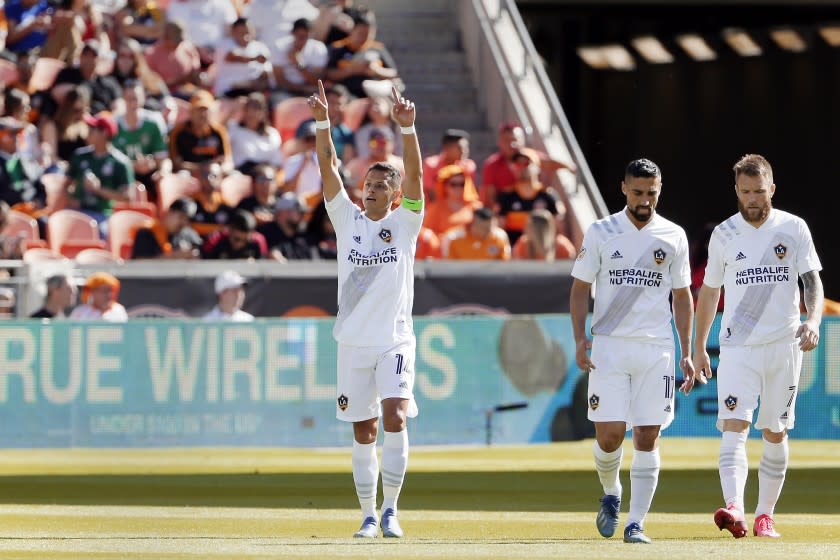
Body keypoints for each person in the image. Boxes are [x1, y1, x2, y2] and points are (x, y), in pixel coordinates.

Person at [307, 80, 423, 539]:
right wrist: (322, 122)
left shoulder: (406, 222)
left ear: (393, 196)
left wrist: (408, 131)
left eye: (380, 186)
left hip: (394, 339)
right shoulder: (346, 218)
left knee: (395, 413)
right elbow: (326, 164)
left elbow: (415, 178)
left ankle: (392, 509)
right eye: (368, 184)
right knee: (364, 430)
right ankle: (368, 515)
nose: (371, 190)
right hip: (352, 342)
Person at [692, 154, 824, 539]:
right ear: (736, 190)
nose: (752, 198)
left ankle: (766, 514)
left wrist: (812, 320)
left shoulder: (793, 228)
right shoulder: (724, 234)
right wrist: (700, 346)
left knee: (775, 432)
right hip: (737, 348)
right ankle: (735, 508)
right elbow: (709, 291)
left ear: (772, 189)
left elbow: (811, 281)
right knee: (734, 427)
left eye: (759, 191)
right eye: (745, 191)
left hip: (784, 346)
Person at [569, 158, 695, 544]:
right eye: (638, 192)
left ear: (660, 189)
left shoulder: (673, 235)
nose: (645, 200)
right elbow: (578, 288)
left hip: (656, 349)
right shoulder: (602, 231)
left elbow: (683, 295)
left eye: (652, 193)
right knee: (609, 437)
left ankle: (636, 522)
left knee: (647, 434)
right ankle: (611, 492)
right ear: (623, 188)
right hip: (609, 346)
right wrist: (579, 338)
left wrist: (686, 350)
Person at [130, 197, 201, 259]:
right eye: (181, 217)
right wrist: (175, 256)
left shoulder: (188, 234)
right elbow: (139, 264)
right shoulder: (147, 232)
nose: (184, 223)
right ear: (169, 212)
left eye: (187, 220)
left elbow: (201, 252)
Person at [440, 207, 510, 260]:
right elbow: (448, 267)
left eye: (490, 228)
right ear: (472, 225)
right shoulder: (453, 237)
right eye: (484, 228)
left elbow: (504, 265)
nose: (488, 232)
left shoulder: (500, 237)